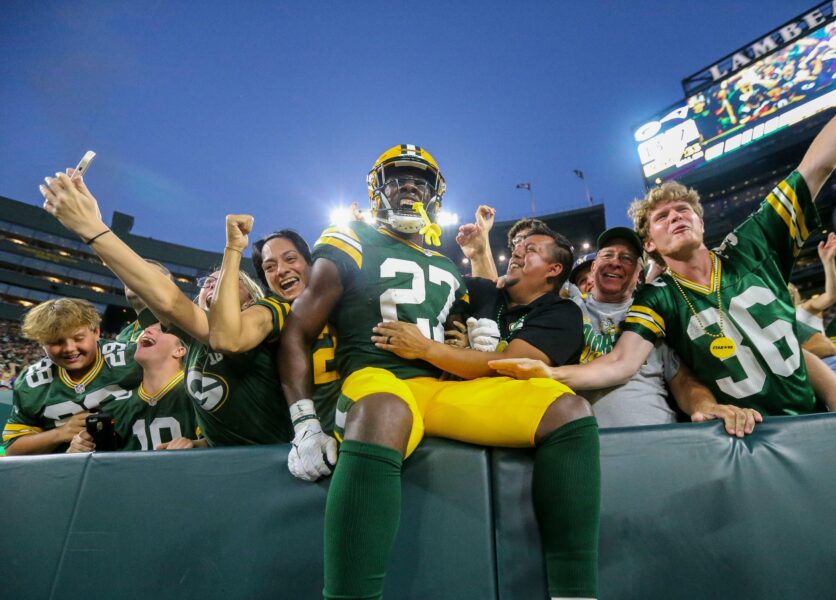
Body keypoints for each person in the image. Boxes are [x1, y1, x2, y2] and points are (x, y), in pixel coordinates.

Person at [280, 144, 600, 600]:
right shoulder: (348, 239)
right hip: (375, 378)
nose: (409, 187)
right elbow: (297, 332)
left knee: (568, 411)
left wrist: (471, 332)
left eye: (421, 181)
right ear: (377, 190)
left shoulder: (447, 265)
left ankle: (576, 593)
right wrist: (304, 422)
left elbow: (476, 308)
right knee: (385, 412)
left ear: (436, 195)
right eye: (397, 179)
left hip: (438, 385)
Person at [492, 117, 836, 414]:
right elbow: (620, 363)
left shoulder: (752, 244)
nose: (675, 217)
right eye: (662, 216)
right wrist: (550, 373)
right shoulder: (657, 298)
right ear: (651, 243)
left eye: (684, 211)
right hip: (746, 432)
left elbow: (816, 166)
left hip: (813, 414)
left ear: (701, 223)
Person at [39, 168, 293, 446]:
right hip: (224, 467)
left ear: (251, 299)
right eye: (207, 283)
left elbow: (176, 304)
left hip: (276, 463)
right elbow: (158, 295)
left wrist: (93, 228)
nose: (211, 288)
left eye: (225, 283)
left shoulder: (266, 318)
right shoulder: (194, 339)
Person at [496, 226, 761, 435]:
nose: (615, 262)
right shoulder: (563, 312)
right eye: (607, 255)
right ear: (594, 266)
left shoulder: (656, 315)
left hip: (654, 439)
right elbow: (514, 291)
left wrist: (706, 406)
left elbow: (683, 380)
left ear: (638, 275)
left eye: (626, 259)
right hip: (578, 443)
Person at [207, 220, 340, 434]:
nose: (282, 270)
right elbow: (229, 339)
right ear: (266, 281)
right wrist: (233, 248)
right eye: (270, 267)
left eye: (290, 259)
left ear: (310, 263)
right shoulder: (275, 309)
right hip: (306, 444)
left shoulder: (344, 298)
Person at [3, 298, 142, 455]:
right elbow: (11, 449)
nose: (69, 348)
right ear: (42, 344)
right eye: (56, 342)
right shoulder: (31, 382)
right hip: (70, 471)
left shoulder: (133, 358)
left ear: (96, 332)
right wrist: (60, 433)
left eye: (78, 338)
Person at [67, 322, 201, 452]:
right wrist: (77, 449)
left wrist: (197, 445)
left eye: (161, 330)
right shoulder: (115, 407)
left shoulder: (199, 392)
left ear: (180, 350)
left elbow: (219, 439)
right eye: (147, 328)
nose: (147, 330)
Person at [116, 260, 174, 344]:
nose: (132, 277)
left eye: (145, 273)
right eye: (130, 274)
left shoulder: (177, 329)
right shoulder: (124, 335)